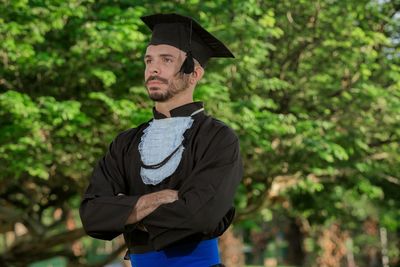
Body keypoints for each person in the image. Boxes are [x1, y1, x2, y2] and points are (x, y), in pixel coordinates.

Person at [79, 13, 243, 267]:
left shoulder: (218, 138)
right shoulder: (124, 143)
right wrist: (155, 199)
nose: (153, 69)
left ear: (195, 73)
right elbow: (92, 215)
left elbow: (201, 217)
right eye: (148, 60)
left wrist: (125, 211)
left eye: (166, 60)